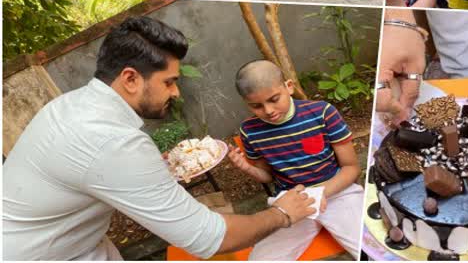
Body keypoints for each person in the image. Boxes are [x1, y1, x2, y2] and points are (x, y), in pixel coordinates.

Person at [2, 17, 316, 261]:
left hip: (67, 240)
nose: (176, 92)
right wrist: (282, 214)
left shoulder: (71, 104)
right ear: (130, 78)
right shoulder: (114, 142)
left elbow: (94, 173)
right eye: (169, 82)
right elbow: (209, 238)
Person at [229, 60, 362, 260]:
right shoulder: (250, 131)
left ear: (289, 87)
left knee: (374, 250)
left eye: (274, 99)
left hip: (336, 192)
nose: (268, 111)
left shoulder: (322, 112)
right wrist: (246, 168)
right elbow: (267, 176)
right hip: (292, 202)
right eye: (256, 106)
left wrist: (320, 192)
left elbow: (351, 168)